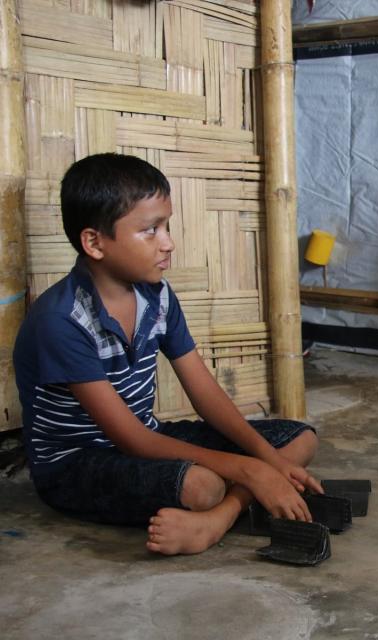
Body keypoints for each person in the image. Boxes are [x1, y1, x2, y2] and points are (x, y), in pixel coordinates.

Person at [13, 153, 322, 554]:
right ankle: (227, 499)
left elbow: (203, 392)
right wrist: (250, 468)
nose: (168, 242)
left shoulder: (155, 296)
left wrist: (266, 459)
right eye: (150, 230)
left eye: (167, 225)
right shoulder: (62, 319)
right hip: (78, 463)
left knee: (299, 440)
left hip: (150, 437)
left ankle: (219, 519)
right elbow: (130, 439)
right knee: (201, 484)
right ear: (94, 242)